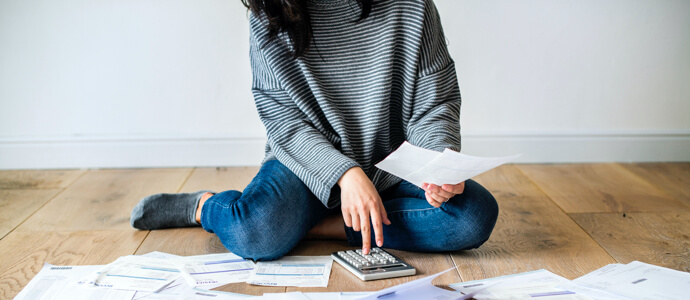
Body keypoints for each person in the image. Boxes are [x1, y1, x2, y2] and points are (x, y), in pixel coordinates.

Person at [130, 0, 498, 261]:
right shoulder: (269, 13)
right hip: (305, 164)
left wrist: (438, 166)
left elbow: (436, 100)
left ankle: (318, 226)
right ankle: (205, 206)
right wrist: (346, 174)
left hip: (392, 166)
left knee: (473, 215)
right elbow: (283, 121)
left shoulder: (412, 6)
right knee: (254, 232)